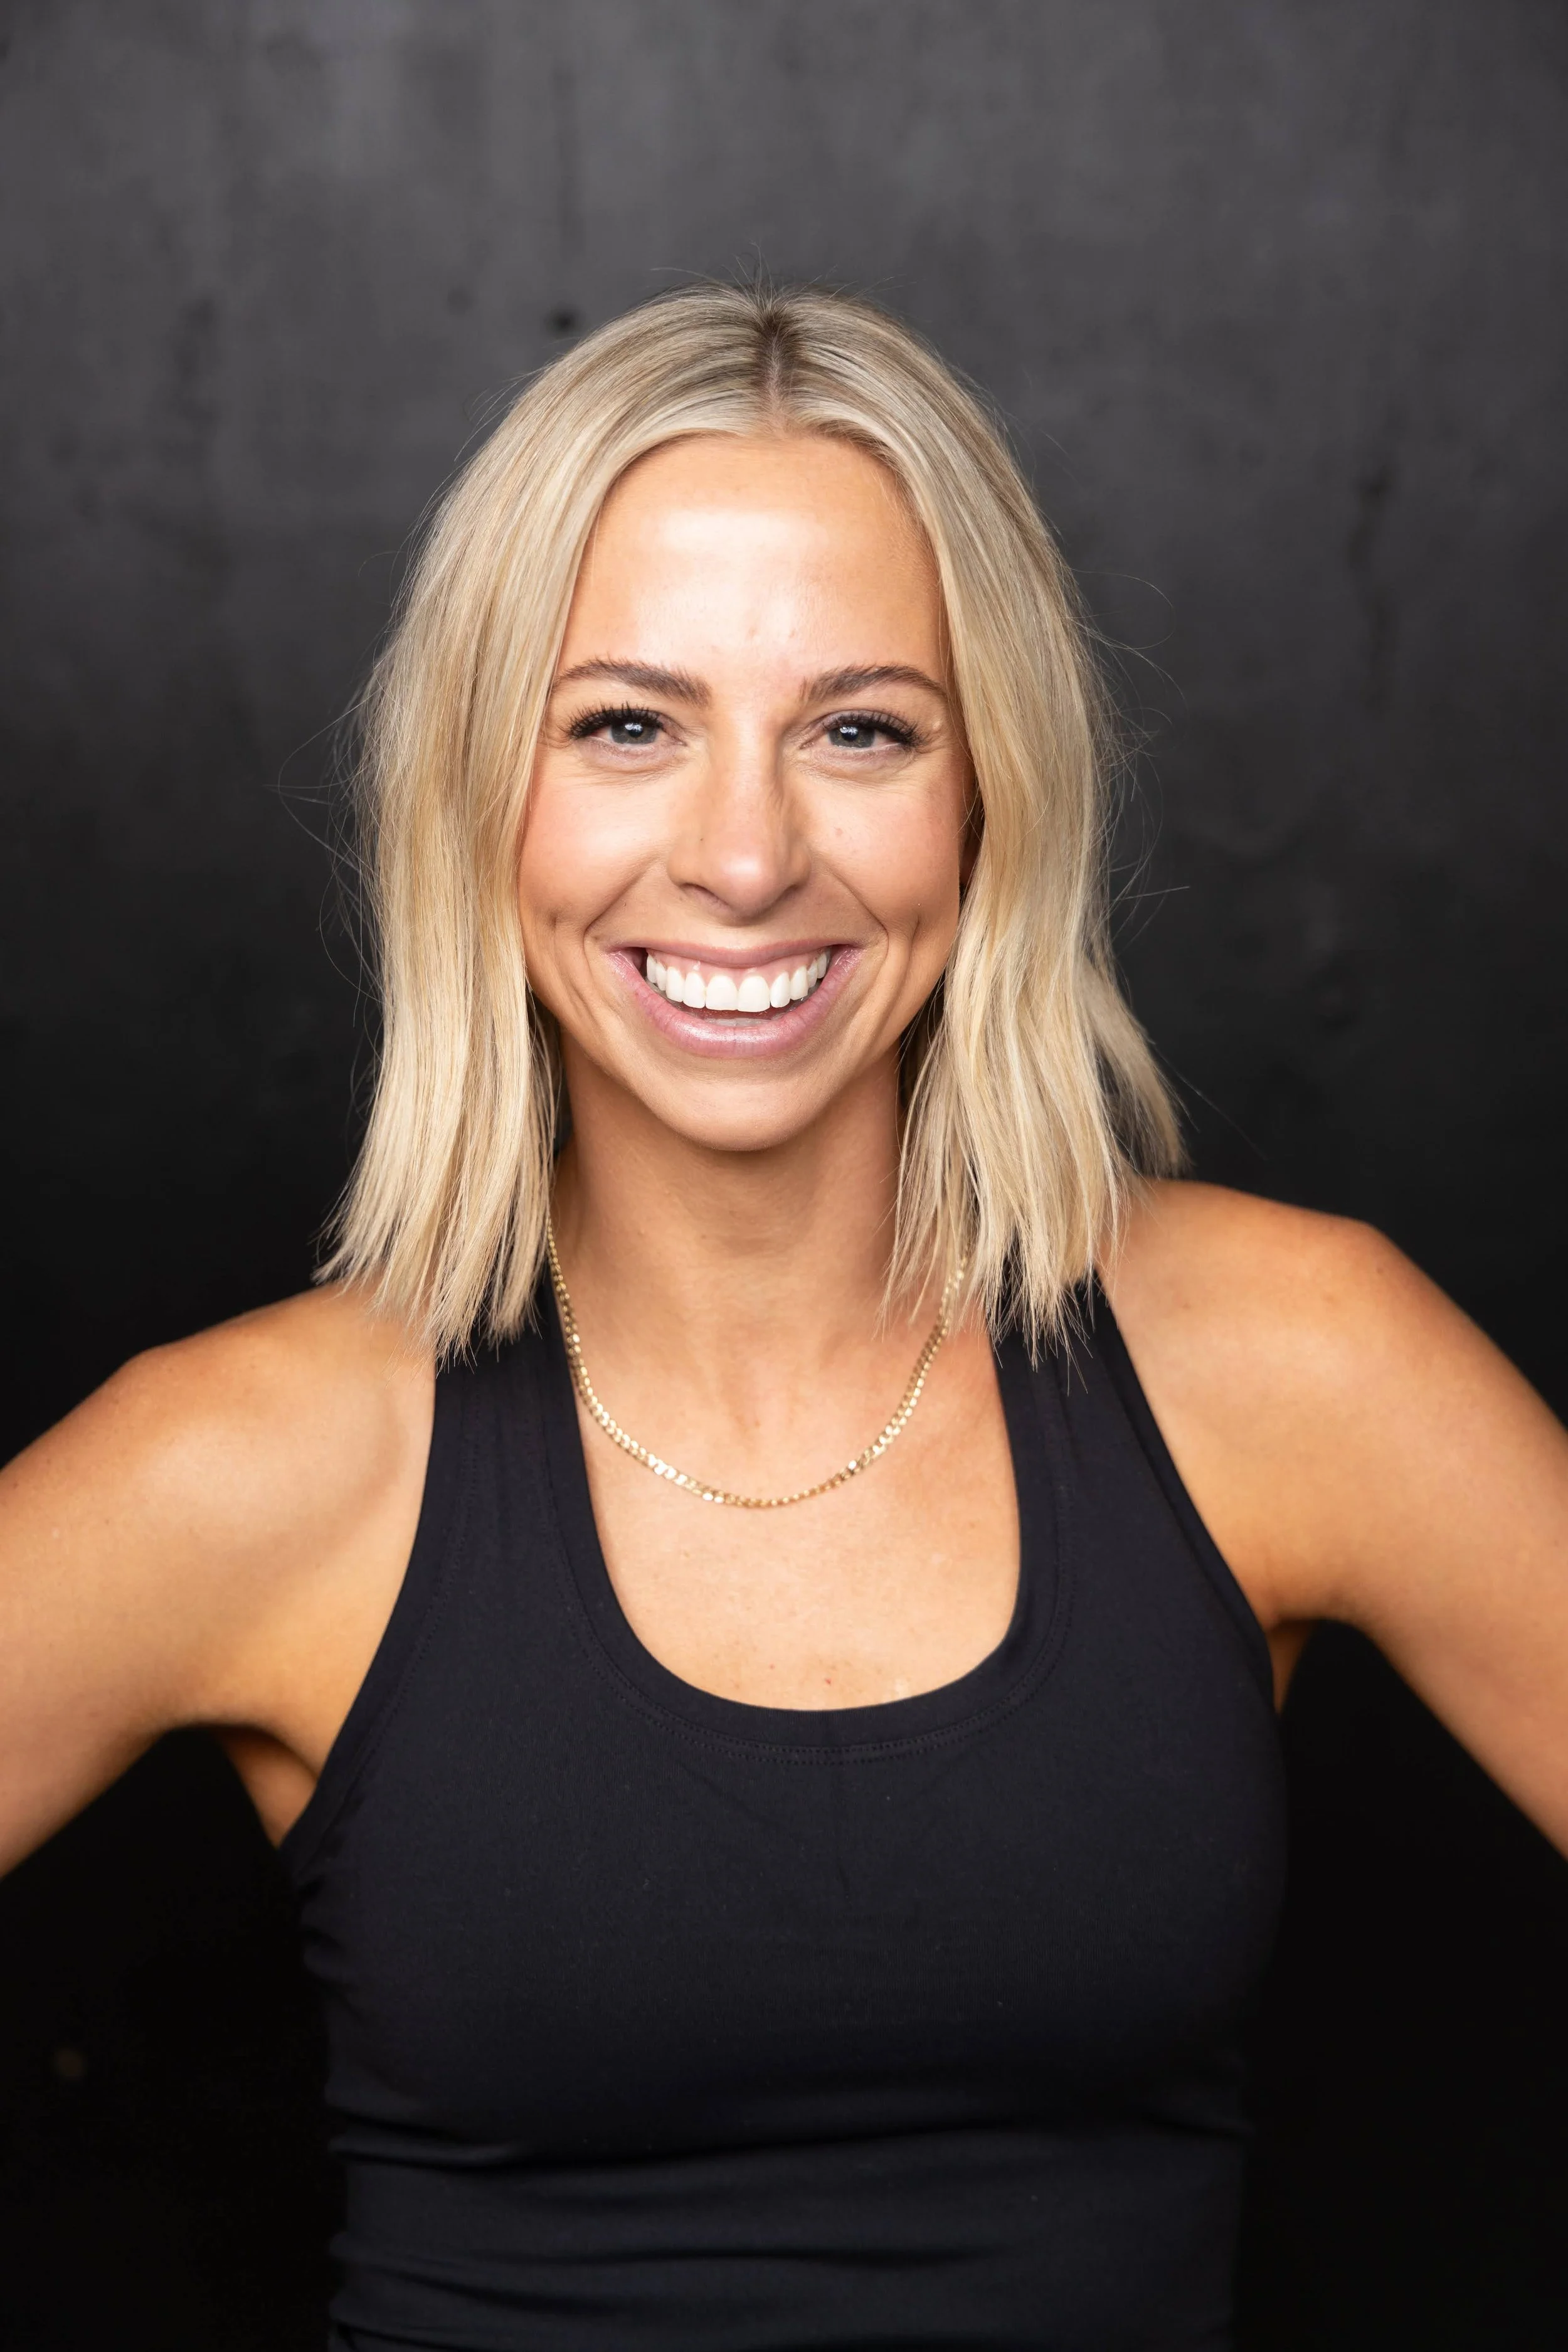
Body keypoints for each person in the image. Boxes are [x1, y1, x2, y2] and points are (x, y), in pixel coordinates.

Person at [1, 282, 1564, 2351]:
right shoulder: (248, 1466)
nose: (743, 857)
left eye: (859, 729)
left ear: (987, 793)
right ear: (479, 794)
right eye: (624, 725)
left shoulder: (1292, 1362)